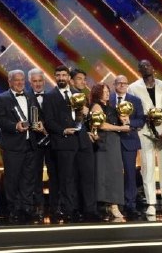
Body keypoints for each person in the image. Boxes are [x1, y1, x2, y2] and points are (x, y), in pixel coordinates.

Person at [41, 65, 97, 222]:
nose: (61, 78)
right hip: (64, 142)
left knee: (87, 176)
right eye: (58, 75)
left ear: (68, 78)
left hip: (83, 142)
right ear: (55, 77)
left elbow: (84, 118)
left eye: (64, 75)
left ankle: (90, 210)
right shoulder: (49, 96)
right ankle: (70, 210)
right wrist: (63, 130)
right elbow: (49, 121)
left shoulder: (78, 94)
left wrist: (88, 116)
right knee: (68, 178)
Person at [128, 59, 162, 217]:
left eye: (148, 65)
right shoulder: (133, 87)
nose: (145, 68)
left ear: (153, 68)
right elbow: (132, 110)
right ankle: (151, 204)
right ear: (139, 70)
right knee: (147, 167)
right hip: (145, 132)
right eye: (142, 66)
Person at [0, 69, 38, 222]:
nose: (20, 83)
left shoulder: (30, 96)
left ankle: (27, 208)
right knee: (12, 179)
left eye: (22, 80)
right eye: (16, 80)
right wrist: (15, 126)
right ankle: (14, 209)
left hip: (30, 143)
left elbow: (35, 115)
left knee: (28, 178)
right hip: (12, 145)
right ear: (9, 81)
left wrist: (39, 124)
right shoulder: (2, 98)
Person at [89, 83, 125, 220]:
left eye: (108, 91)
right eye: (104, 91)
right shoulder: (96, 106)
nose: (107, 93)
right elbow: (101, 125)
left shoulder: (111, 107)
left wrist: (124, 121)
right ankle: (106, 206)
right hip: (104, 142)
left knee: (115, 173)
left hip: (113, 142)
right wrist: (121, 129)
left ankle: (113, 205)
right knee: (104, 175)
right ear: (97, 93)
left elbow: (119, 123)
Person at [112, 74, 144, 219]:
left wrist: (129, 122)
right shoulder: (108, 100)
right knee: (113, 173)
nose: (122, 85)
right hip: (112, 141)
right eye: (119, 83)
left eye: (124, 83)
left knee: (130, 174)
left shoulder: (135, 100)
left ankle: (130, 205)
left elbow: (141, 121)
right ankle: (114, 205)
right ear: (114, 85)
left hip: (129, 141)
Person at [26, 68, 50, 221]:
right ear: (30, 82)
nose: (38, 84)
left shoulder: (52, 97)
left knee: (56, 174)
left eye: (40, 80)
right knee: (35, 175)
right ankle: (38, 206)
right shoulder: (26, 97)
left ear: (44, 81)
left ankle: (56, 206)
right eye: (34, 81)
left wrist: (46, 128)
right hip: (33, 142)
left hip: (52, 141)